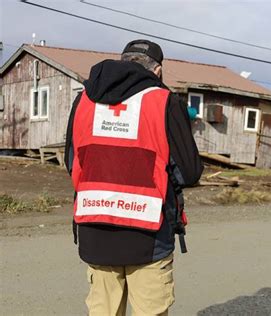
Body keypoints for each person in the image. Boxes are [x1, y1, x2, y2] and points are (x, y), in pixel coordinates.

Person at [65, 39, 203, 315]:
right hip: (149, 234)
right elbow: (189, 172)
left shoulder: (84, 99)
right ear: (158, 71)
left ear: (122, 61)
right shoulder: (165, 102)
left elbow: (72, 162)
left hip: (95, 229)